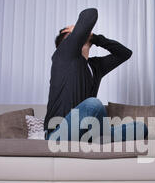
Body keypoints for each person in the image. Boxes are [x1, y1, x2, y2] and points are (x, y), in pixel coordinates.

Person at [44, 8, 148, 142]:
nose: (78, 35)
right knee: (93, 104)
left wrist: (96, 38)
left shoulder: (95, 67)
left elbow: (125, 53)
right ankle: (101, 138)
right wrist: (77, 30)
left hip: (87, 132)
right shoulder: (63, 55)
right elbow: (90, 14)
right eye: (72, 35)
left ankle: (98, 138)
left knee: (140, 127)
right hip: (59, 133)